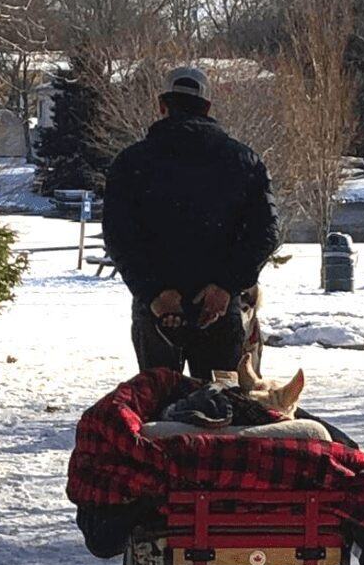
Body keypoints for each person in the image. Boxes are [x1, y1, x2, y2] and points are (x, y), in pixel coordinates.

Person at [103, 66, 278, 379]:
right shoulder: (244, 161)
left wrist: (155, 293)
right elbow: (265, 233)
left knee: (157, 408)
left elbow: (119, 237)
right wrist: (225, 287)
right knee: (222, 410)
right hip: (219, 309)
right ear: (208, 108)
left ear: (162, 106)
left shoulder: (130, 163)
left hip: (157, 310)